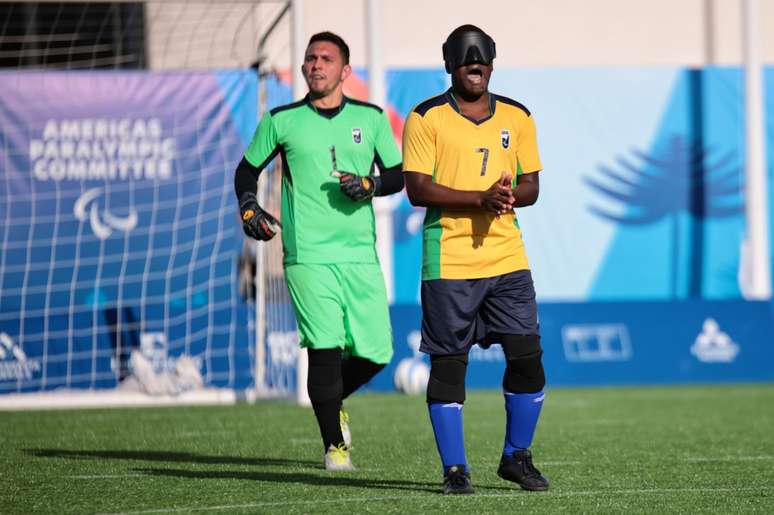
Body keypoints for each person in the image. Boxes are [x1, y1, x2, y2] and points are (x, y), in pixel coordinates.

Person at [234, 31, 403, 471]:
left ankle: (330, 402)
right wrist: (249, 206)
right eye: (310, 58)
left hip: (360, 256)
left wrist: (370, 185)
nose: (316, 65)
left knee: (377, 353)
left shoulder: (371, 118)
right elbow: (246, 171)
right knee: (324, 348)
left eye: (326, 59)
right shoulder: (282, 120)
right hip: (306, 255)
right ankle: (334, 445)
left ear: (345, 71)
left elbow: (399, 176)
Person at [402, 25, 549, 494]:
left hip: (507, 259)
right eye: (465, 58)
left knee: (528, 360)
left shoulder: (518, 116)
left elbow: (532, 186)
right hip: (449, 261)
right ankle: (455, 470)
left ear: (491, 61)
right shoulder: (425, 118)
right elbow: (417, 188)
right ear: (449, 64)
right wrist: (479, 199)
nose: (474, 64)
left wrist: (509, 196)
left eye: (480, 57)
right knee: (450, 367)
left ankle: (516, 457)